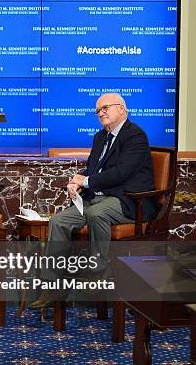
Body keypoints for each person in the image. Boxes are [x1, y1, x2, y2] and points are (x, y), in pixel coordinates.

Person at [31, 92, 157, 307]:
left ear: (122, 108)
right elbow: (93, 170)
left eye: (105, 108)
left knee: (96, 213)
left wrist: (86, 180)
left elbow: (121, 173)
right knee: (58, 221)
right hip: (97, 198)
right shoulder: (100, 137)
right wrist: (78, 183)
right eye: (98, 110)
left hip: (128, 201)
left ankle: (98, 272)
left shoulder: (135, 136)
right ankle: (52, 288)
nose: (101, 113)